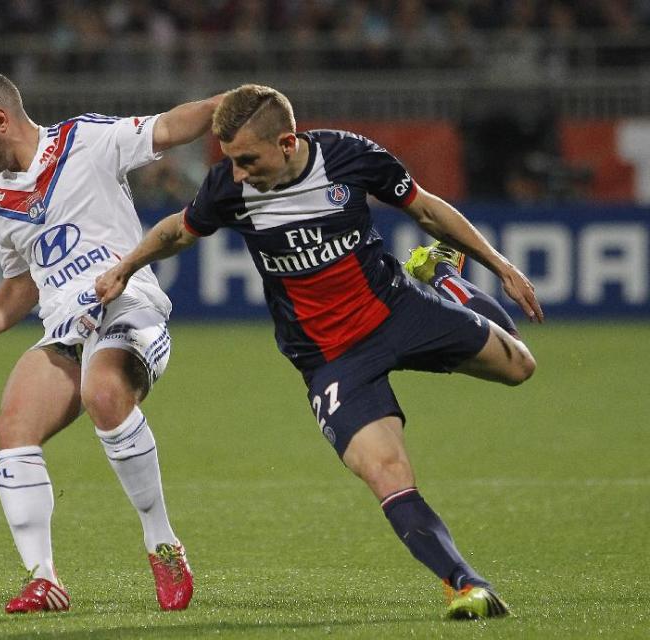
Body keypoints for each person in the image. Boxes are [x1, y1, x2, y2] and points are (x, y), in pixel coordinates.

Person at [95, 84, 544, 620]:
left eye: (247, 160)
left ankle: (442, 276)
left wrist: (502, 267)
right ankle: (465, 583)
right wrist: (125, 266)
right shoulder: (229, 189)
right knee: (385, 471)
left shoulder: (350, 156)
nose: (237, 174)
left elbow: (424, 208)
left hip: (399, 312)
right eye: (231, 162)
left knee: (520, 368)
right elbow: (177, 231)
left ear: (287, 143)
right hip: (332, 361)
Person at [0, 69, 221, 613]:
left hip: (129, 309)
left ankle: (162, 542)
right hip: (65, 328)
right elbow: (18, 288)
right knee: (14, 426)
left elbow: (169, 128)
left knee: (103, 393)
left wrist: (234, 104)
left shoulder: (85, 140)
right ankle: (43, 579)